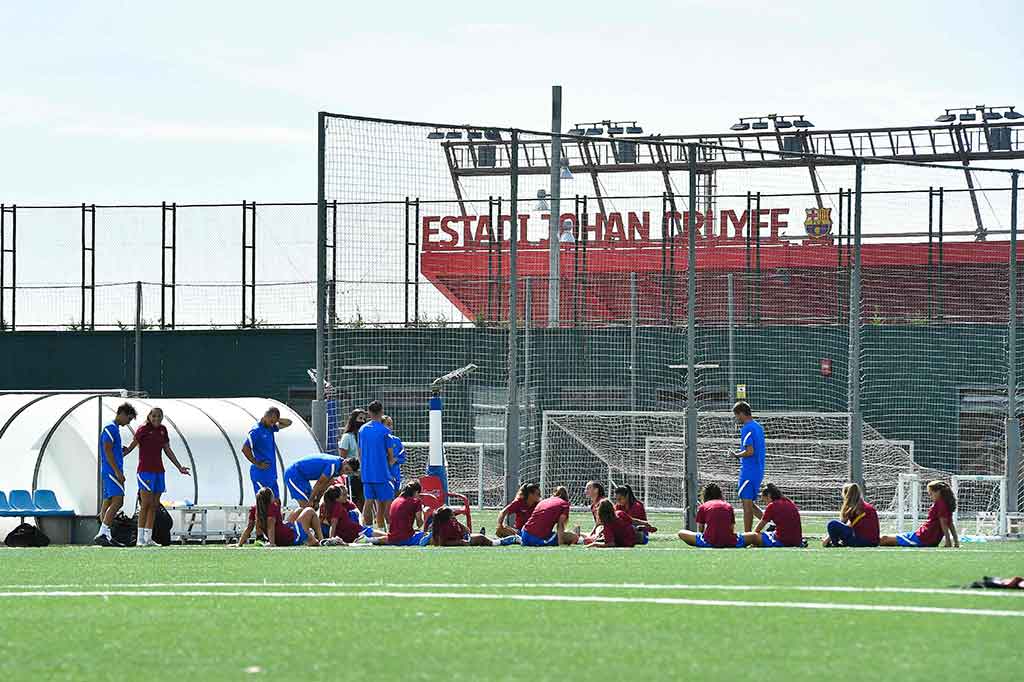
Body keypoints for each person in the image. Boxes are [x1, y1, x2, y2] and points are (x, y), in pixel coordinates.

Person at [124, 407, 190, 547]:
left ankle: (148, 538)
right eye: (154, 416)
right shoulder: (143, 430)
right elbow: (132, 446)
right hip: (145, 471)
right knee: (145, 504)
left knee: (154, 505)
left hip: (159, 471)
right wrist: (121, 454)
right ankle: (140, 539)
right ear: (149, 416)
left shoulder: (163, 430)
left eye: (159, 416)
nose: (156, 418)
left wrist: (179, 467)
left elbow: (167, 449)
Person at [94, 402, 137, 547]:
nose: (128, 422)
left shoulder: (114, 429)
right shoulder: (110, 428)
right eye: (128, 419)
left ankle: (106, 534)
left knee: (107, 502)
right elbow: (107, 450)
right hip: (112, 471)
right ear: (122, 414)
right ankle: (102, 533)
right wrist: (118, 472)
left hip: (110, 470)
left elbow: (112, 451)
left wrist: (122, 450)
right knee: (119, 501)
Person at [880, 480, 959, 548]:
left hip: (923, 538)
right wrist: (956, 541)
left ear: (938, 492)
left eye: (931, 494)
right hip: (923, 536)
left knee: (884, 539)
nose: (930, 497)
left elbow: (944, 522)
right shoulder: (945, 504)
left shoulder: (940, 503)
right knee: (886, 538)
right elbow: (950, 523)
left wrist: (948, 541)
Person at [237, 486, 323, 547]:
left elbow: (249, 528)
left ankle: (311, 537)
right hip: (288, 537)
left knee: (299, 510)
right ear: (270, 498)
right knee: (310, 510)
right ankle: (320, 539)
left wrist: (239, 544)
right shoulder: (272, 507)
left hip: (281, 536)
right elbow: (270, 526)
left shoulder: (254, 509)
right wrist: (272, 544)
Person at [358, 400, 396, 529]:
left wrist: (364, 467)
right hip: (382, 474)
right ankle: (390, 531)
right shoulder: (385, 431)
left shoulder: (362, 430)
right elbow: (391, 456)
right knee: (387, 505)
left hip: (367, 473)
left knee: (368, 502)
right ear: (382, 412)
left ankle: (369, 532)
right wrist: (390, 470)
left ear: (369, 412)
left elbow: (359, 452)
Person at [241, 407, 292, 501]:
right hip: (261, 474)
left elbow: (289, 422)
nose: (273, 424)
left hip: (272, 474)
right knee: (264, 503)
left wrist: (276, 419)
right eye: (271, 421)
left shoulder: (270, 428)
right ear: (265, 416)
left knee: (277, 502)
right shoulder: (256, 431)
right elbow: (245, 449)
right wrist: (257, 463)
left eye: (274, 422)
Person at [731, 401, 766, 532]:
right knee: (750, 503)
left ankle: (747, 536)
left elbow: (750, 451)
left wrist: (736, 455)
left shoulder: (747, 428)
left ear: (741, 413)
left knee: (746, 505)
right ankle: (771, 524)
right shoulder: (758, 427)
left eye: (736, 415)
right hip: (758, 470)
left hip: (749, 471)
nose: (736, 418)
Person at [678, 482, 745, 548]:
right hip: (730, 541)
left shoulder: (703, 506)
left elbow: (701, 528)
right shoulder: (728, 506)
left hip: (708, 541)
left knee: (681, 532)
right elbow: (731, 527)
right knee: (751, 535)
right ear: (720, 494)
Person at [744, 482, 804, 548]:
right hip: (797, 541)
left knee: (753, 537)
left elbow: (758, 529)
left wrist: (750, 538)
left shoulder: (772, 506)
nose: (766, 503)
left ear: (769, 495)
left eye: (765, 501)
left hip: (782, 541)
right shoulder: (789, 502)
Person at [369, 481, 429, 546]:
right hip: (406, 538)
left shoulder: (395, 500)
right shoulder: (416, 502)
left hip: (392, 538)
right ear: (416, 492)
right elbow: (419, 524)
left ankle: (372, 539)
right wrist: (423, 512)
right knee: (429, 535)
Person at [823, 483, 880, 548]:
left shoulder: (851, 507)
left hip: (860, 542)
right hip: (874, 542)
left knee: (832, 524)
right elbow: (851, 525)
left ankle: (835, 544)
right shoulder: (866, 506)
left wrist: (826, 540)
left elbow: (841, 524)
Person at [430, 506, 505, 546]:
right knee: (481, 538)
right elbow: (443, 543)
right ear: (447, 517)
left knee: (481, 537)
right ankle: (498, 542)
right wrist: (459, 542)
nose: (454, 516)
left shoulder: (453, 523)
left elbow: (467, 530)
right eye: (453, 515)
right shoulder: (444, 528)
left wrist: (458, 523)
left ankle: (495, 540)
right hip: (461, 540)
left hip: (463, 537)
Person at [382, 415, 406, 498]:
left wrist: (395, 459)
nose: (390, 427)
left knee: (395, 498)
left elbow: (403, 458)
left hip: (395, 475)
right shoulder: (377, 441)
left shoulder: (396, 440)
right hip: (382, 476)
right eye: (388, 424)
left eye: (391, 424)